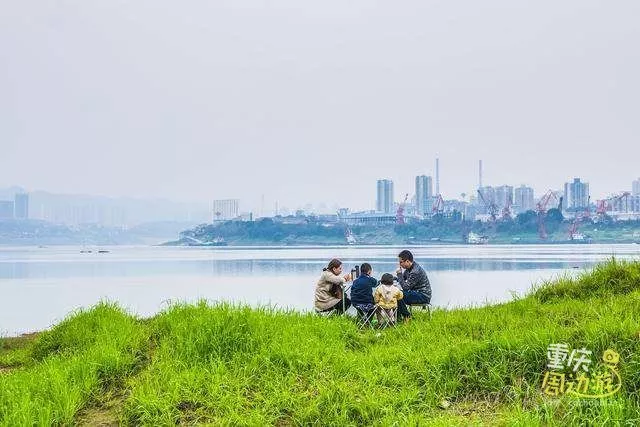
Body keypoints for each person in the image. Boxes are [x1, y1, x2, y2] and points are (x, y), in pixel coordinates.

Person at [395, 249, 431, 321]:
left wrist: (399, 274)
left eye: (401, 262)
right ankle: (398, 318)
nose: (400, 264)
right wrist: (390, 279)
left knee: (398, 294)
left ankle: (406, 316)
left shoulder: (415, 271)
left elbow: (405, 287)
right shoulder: (409, 268)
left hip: (423, 296)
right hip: (416, 293)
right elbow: (402, 279)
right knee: (396, 293)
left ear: (407, 261)